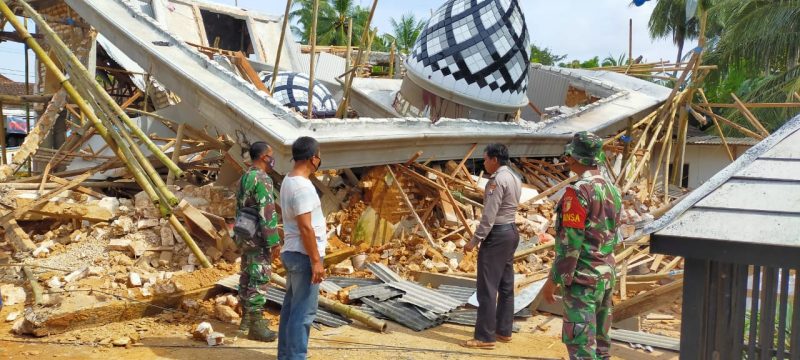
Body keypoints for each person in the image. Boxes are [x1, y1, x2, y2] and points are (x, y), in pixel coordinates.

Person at [542, 131, 622, 360]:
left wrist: (552, 281)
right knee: (601, 345)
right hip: (606, 277)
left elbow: (570, 246)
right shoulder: (613, 190)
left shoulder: (578, 192)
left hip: (583, 282)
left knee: (582, 347)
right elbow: (614, 237)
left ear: (573, 157)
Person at [461, 143, 522, 350]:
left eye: (486, 158)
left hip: (497, 235)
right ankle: (503, 331)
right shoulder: (515, 177)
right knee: (506, 285)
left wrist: (474, 240)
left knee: (487, 288)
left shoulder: (496, 181)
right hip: (511, 231)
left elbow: (489, 216)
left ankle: (485, 337)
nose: (484, 162)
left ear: (495, 159)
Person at [278, 136, 327, 360]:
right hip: (303, 255)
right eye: (319, 155)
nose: (320, 159)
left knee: (290, 309)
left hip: (292, 251)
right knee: (304, 313)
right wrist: (316, 260)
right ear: (312, 158)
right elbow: (306, 228)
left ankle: (286, 355)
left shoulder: (288, 180)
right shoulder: (303, 187)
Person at [235, 141, 281, 342]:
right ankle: (256, 325)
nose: (273, 159)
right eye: (271, 155)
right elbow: (267, 212)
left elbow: (239, 207)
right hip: (259, 237)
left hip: (244, 233)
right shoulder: (263, 179)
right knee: (259, 278)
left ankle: (245, 322)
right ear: (264, 157)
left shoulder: (245, 177)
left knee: (246, 276)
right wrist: (273, 241)